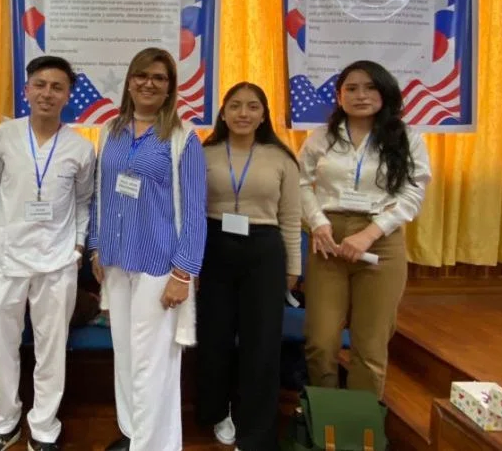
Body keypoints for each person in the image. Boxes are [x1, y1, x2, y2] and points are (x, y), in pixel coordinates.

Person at [89, 47, 207, 451]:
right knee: (125, 354)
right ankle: (133, 432)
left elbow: (195, 211)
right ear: (129, 81)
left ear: (171, 86)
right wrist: (95, 248)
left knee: (153, 362)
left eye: (159, 77)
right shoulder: (110, 130)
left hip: (160, 266)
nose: (148, 83)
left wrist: (183, 273)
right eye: (141, 75)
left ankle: (154, 445)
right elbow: (100, 196)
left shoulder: (183, 137)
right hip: (117, 261)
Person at [0, 56, 95, 451]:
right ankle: (4, 423)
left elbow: (83, 203)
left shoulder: (80, 147)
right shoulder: (4, 135)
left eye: (56, 87)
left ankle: (44, 428)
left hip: (57, 262)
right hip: (4, 261)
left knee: (51, 348)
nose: (47, 93)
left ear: (68, 95)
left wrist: (77, 246)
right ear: (26, 90)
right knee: (2, 347)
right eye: (39, 84)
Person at [299, 60, 431, 397]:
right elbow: (299, 183)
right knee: (320, 342)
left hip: (380, 243)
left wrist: (370, 233)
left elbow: (413, 191)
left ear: (385, 92)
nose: (361, 95)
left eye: (370, 87)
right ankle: (324, 424)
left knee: (370, 348)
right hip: (328, 241)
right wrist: (318, 223)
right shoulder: (322, 137)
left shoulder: (407, 138)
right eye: (351, 89)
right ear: (339, 96)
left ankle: (360, 432)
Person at [197, 82, 301, 450]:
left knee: (262, 343)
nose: (243, 113)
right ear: (223, 112)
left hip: (264, 252)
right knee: (213, 338)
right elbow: (189, 212)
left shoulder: (281, 157)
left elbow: (290, 216)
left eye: (252, 107)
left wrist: (294, 267)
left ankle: (255, 428)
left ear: (263, 114)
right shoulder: (201, 153)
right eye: (236, 106)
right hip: (212, 248)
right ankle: (216, 411)